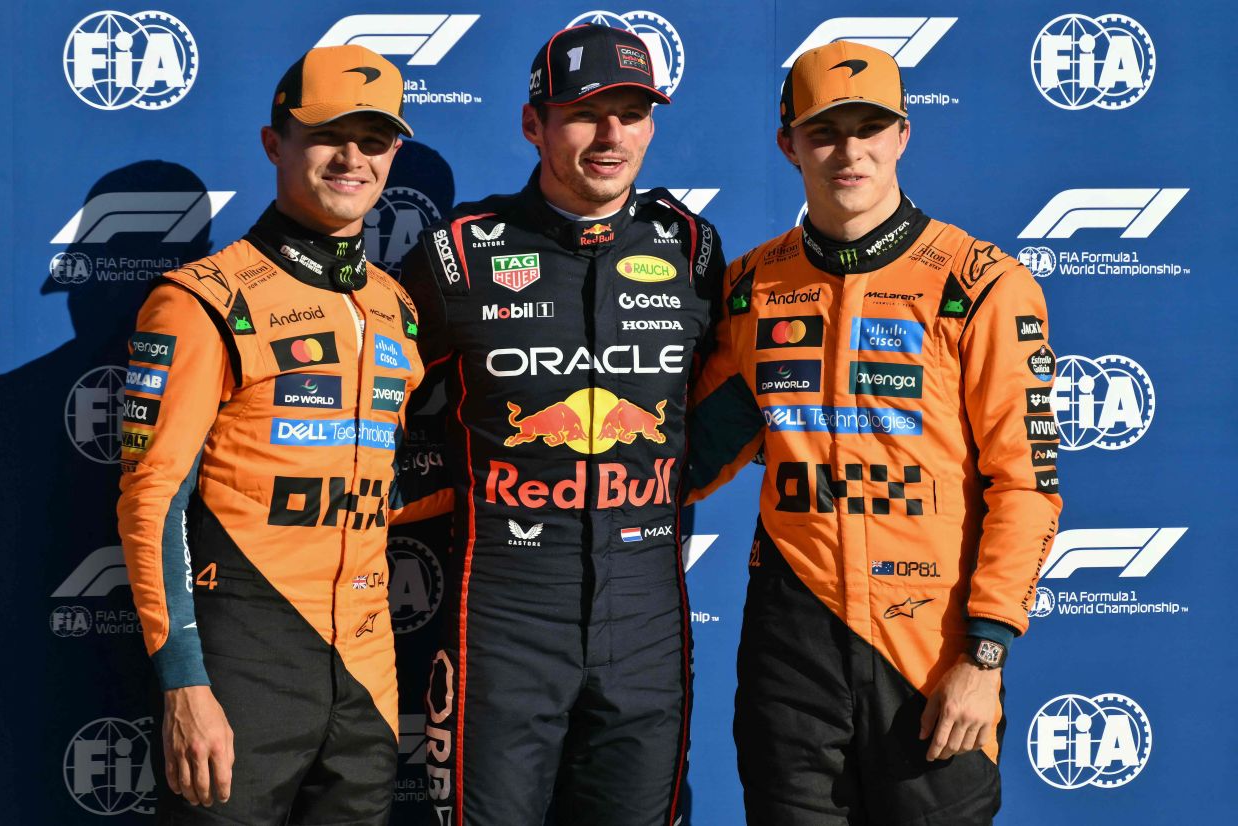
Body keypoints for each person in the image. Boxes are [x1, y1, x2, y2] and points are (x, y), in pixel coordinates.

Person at [687, 41, 1062, 824]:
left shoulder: (980, 282)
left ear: (903, 136)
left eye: (870, 128)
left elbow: (1024, 483)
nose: (848, 152)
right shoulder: (755, 285)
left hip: (929, 652)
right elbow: (695, 452)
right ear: (788, 144)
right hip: (792, 643)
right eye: (824, 132)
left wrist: (984, 655)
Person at [399, 23, 725, 826]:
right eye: (584, 112)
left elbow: (727, 406)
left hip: (647, 608)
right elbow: (392, 417)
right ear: (532, 123)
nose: (611, 135)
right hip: (503, 611)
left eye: (632, 111)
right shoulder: (459, 257)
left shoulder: (692, 247)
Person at [116, 44, 439, 824]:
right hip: (244, 666)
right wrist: (185, 684)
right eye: (329, 133)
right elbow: (152, 501)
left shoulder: (397, 306)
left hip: (369, 674)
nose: (352, 158)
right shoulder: (203, 299)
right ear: (275, 143)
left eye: (375, 139)